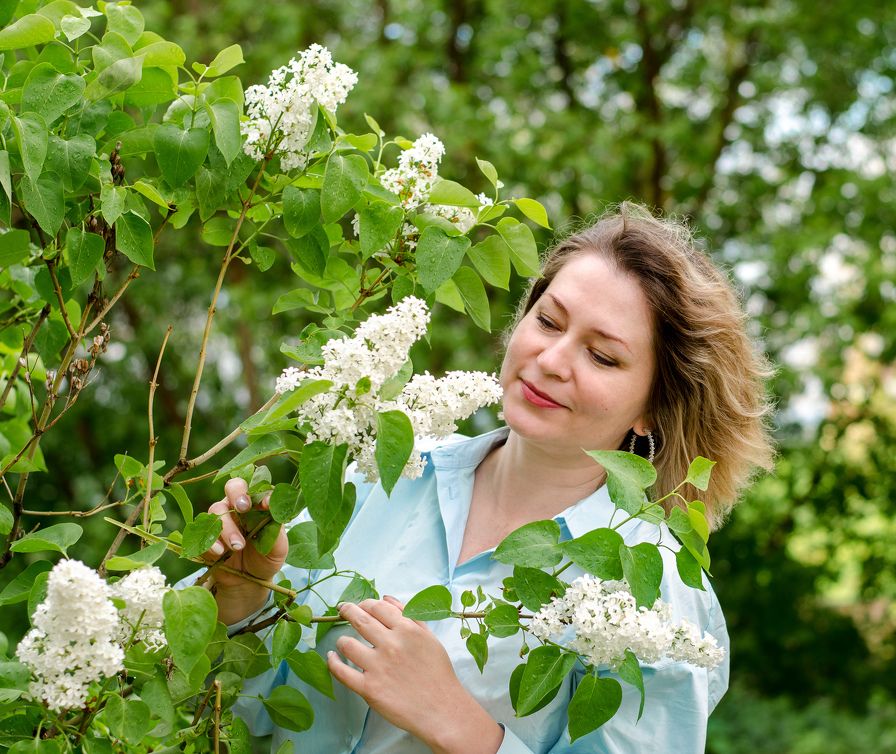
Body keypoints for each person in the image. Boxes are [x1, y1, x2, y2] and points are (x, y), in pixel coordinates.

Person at [201, 203, 774, 753]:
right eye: (548, 321)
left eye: (602, 356)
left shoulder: (652, 594)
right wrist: (242, 599)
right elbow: (236, 710)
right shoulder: (389, 470)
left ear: (654, 404)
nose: (552, 360)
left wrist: (462, 729)